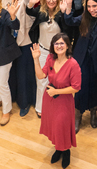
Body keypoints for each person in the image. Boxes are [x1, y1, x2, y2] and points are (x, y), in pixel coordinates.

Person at [64, 0, 97, 133]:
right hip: (83, 60)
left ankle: (94, 112)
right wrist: (69, 5)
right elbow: (69, 21)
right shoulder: (83, 18)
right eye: (89, 6)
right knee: (80, 88)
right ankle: (77, 116)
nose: (91, 9)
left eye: (94, 6)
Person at [30, 33, 81, 168]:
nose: (59, 46)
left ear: (67, 45)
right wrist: (36, 60)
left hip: (64, 101)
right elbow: (41, 76)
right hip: (50, 100)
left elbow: (76, 88)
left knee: (61, 127)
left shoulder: (73, 64)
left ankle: (66, 151)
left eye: (62, 43)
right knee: (54, 127)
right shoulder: (50, 58)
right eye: (56, 43)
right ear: (53, 46)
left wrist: (56, 91)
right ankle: (59, 149)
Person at [27, 0, 74, 117]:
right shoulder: (40, 12)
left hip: (58, 54)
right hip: (42, 51)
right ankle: (40, 108)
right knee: (41, 81)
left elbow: (69, 29)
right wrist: (30, 3)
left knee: (58, 82)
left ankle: (56, 108)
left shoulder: (61, 13)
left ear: (58, 0)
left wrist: (66, 11)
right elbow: (29, 10)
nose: (51, 1)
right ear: (44, 0)